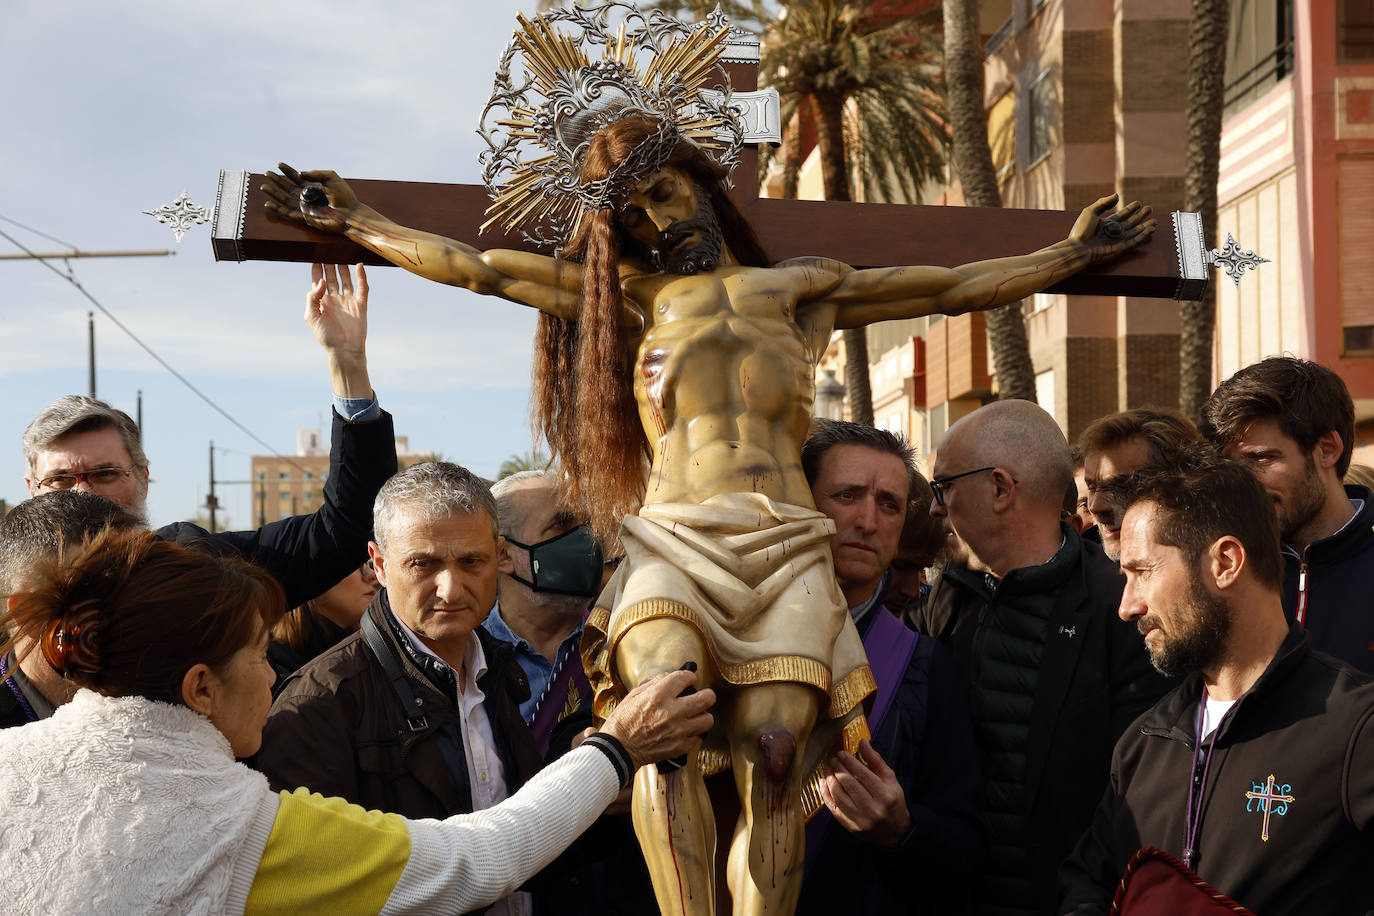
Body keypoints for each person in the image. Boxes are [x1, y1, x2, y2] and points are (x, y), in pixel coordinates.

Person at [261, 12, 1154, 911]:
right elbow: (479, 268)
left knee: (776, 756)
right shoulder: (632, 300)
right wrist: (363, 221)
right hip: (679, 542)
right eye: (635, 212)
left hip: (783, 546)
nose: (657, 219)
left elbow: (946, 284)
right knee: (660, 725)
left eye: (665, 191)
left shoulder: (801, 287)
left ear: (698, 179)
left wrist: (1067, 255)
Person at [0, 527, 713, 915]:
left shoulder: (10, 760)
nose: (273, 672)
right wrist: (618, 747)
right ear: (200, 688)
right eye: (257, 653)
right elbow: (479, 859)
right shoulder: (237, 823)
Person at [1058, 451, 1374, 914]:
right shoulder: (1145, 744)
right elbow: (1088, 878)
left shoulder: (1356, 730)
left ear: (1225, 562)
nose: (1127, 606)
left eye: (1141, 572)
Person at [913, 399, 1171, 916]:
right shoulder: (944, 598)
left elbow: (1142, 790)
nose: (935, 507)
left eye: (944, 487)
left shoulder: (1122, 607)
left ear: (1001, 489)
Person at [254, 462, 544, 914]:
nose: (450, 589)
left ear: (500, 556)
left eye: (471, 561)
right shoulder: (318, 705)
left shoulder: (500, 670)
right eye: (423, 564)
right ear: (381, 565)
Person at [20, 263, 396, 611]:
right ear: (32, 489)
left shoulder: (203, 568)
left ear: (143, 478)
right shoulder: (12, 588)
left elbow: (346, 528)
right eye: (60, 480)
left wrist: (347, 364)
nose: (84, 493)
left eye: (104, 474)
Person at [798, 419, 985, 914]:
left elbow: (965, 845)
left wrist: (904, 831)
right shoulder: (723, 641)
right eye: (847, 495)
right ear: (801, 503)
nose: (868, 520)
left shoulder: (925, 666)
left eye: (888, 505)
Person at [1200, 356, 1374, 673]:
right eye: (1229, 464)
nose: (1243, 481)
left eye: (1261, 458)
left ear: (1327, 450)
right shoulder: (1216, 572)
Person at [0, 490, 143, 728]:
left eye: (140, 580)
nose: (134, 610)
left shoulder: (169, 702)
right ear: (27, 612)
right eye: (99, 588)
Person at [482, 470, 602, 740]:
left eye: (587, 524)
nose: (587, 539)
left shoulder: (618, 642)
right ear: (503, 554)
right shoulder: (469, 662)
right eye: (562, 525)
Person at [1077, 407, 1202, 560]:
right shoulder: (1080, 573)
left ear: (1182, 485)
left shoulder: (1221, 569)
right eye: (1092, 487)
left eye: (1118, 487)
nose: (1095, 507)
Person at [267, 560, 379, 688]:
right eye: (356, 566)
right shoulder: (272, 672)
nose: (373, 574)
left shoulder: (375, 654)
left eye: (368, 565)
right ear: (313, 579)